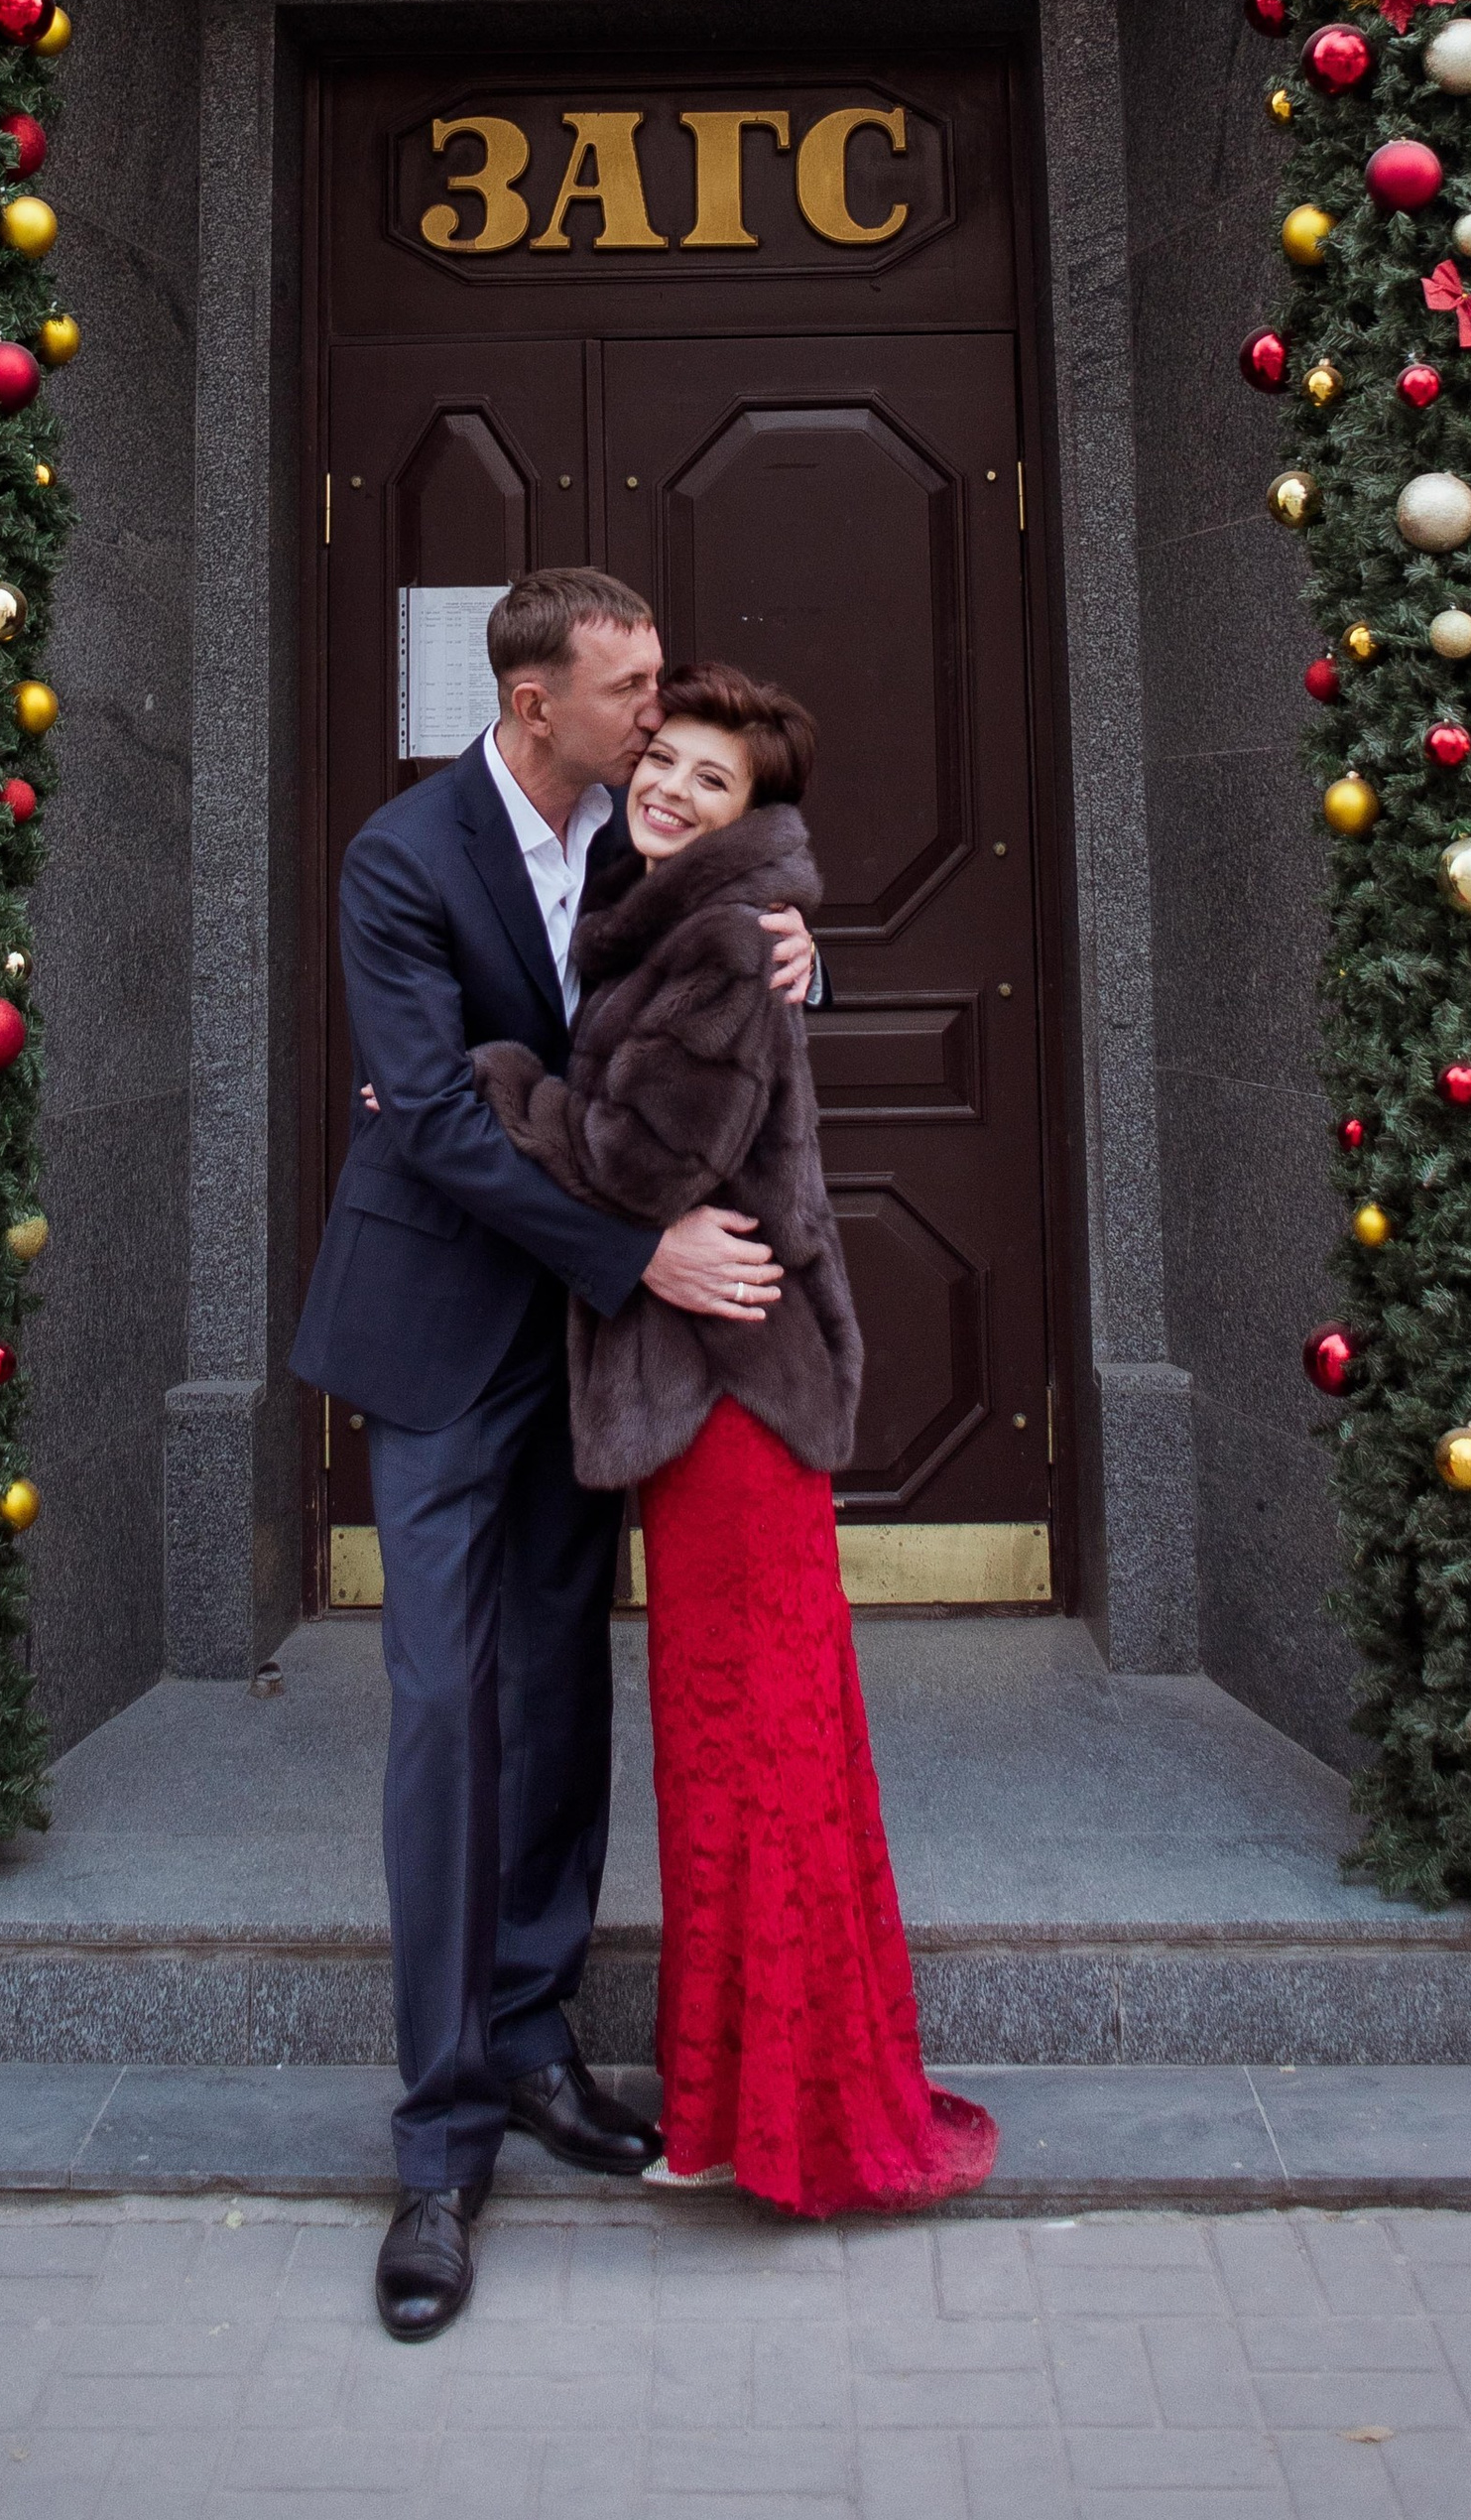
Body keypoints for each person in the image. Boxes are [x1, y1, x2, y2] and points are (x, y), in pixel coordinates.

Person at [293, 567, 820, 2343]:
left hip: (584, 1359)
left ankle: (531, 2047)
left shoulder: (636, 834)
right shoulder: (399, 857)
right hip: (447, 1335)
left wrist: (797, 943)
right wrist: (635, 1249)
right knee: (447, 1711)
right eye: (631, 689)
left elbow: (736, 908)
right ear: (537, 704)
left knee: (560, 1694)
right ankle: (436, 2149)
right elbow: (433, 1115)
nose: (658, 717)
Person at [474, 663, 1000, 2217]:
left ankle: (793, 2127)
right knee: (761, 1756)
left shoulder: (706, 934)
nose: (676, 791)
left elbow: (640, 1161)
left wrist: (509, 1086)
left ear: (756, 819)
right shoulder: (681, 914)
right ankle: (767, 2103)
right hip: (722, 1391)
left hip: (728, 1396)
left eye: (717, 781)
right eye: (669, 761)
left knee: (753, 1760)